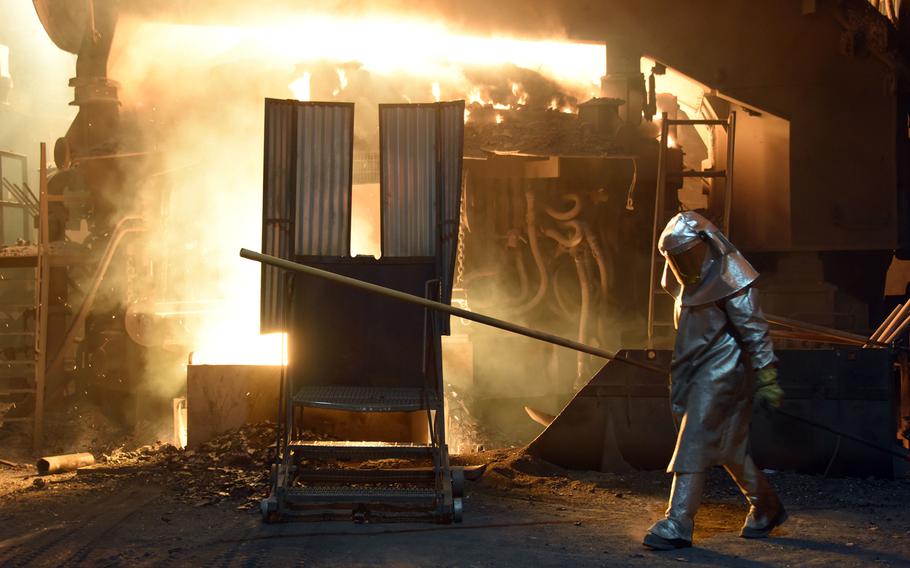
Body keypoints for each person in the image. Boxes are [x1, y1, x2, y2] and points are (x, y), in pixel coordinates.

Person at [643, 211, 787, 551]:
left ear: (707, 247)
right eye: (677, 260)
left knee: (693, 439)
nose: (684, 265)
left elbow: (754, 331)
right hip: (692, 370)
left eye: (688, 256)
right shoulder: (684, 284)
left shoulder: (732, 280)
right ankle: (767, 507)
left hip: (723, 373)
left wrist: (767, 375)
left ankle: (678, 521)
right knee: (728, 448)